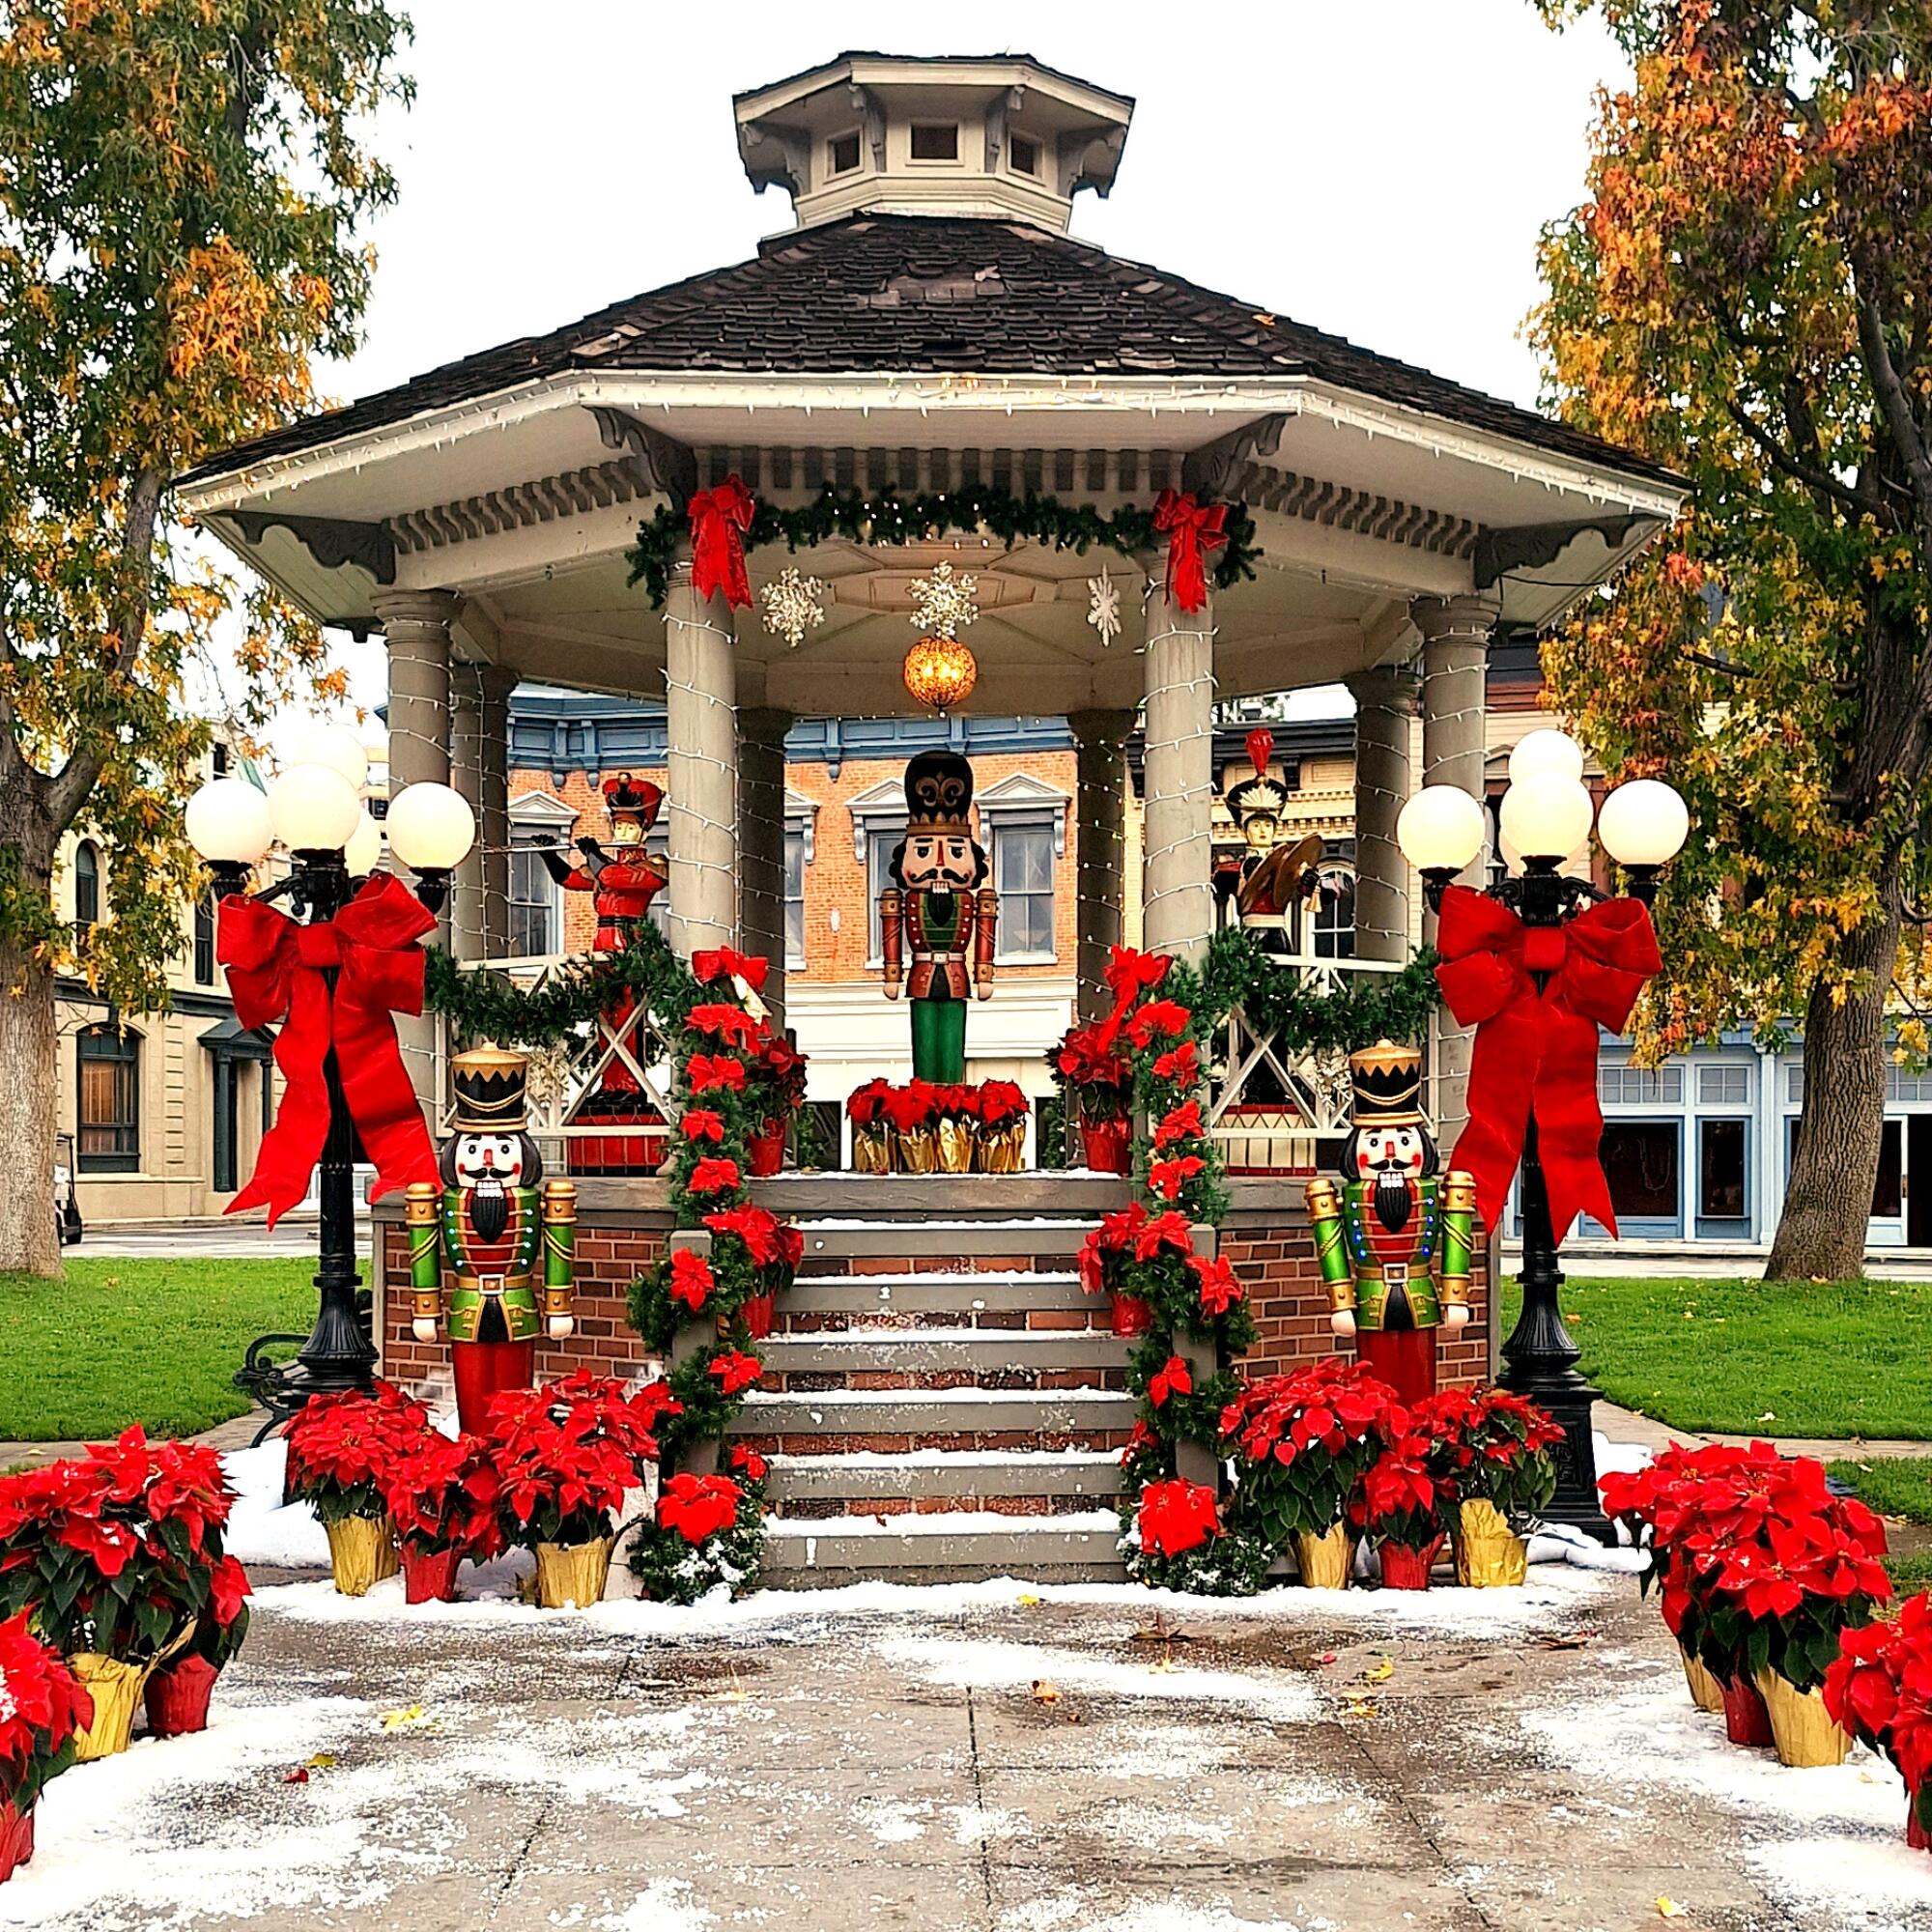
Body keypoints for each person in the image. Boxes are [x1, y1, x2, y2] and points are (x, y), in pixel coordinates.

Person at [407, 1047, 577, 1432]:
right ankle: (473, 1449)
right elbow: (424, 1250)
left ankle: (512, 1454)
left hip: (517, 1300)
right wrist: (425, 1308)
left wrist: (558, 1306)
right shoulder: (443, 1201)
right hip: (468, 1302)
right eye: (473, 1148)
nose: (487, 1159)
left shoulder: (537, 1199)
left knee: (516, 1394)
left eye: (503, 1147)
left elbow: (558, 1248)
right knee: (471, 1388)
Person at [1305, 1039, 1476, 1406]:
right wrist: (1341, 1302)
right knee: (1374, 1382)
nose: (1389, 1155)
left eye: (1402, 1140)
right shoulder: (1347, 1195)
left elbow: (1456, 1235)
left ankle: (1418, 1443)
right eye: (1376, 1141)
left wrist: (1455, 1297)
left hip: (1419, 1293)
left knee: (1420, 1377)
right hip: (1371, 1295)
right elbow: (1330, 1242)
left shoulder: (1435, 1190)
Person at [877, 749, 997, 1082]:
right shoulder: (904, 898)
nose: (940, 864)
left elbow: (985, 933)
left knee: (952, 1046)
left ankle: (953, 1099)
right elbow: (892, 931)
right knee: (924, 1044)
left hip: (957, 974)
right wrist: (891, 975)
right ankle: (926, 1099)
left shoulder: (976, 899)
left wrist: (984, 974)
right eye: (924, 851)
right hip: (922, 972)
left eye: (957, 853)